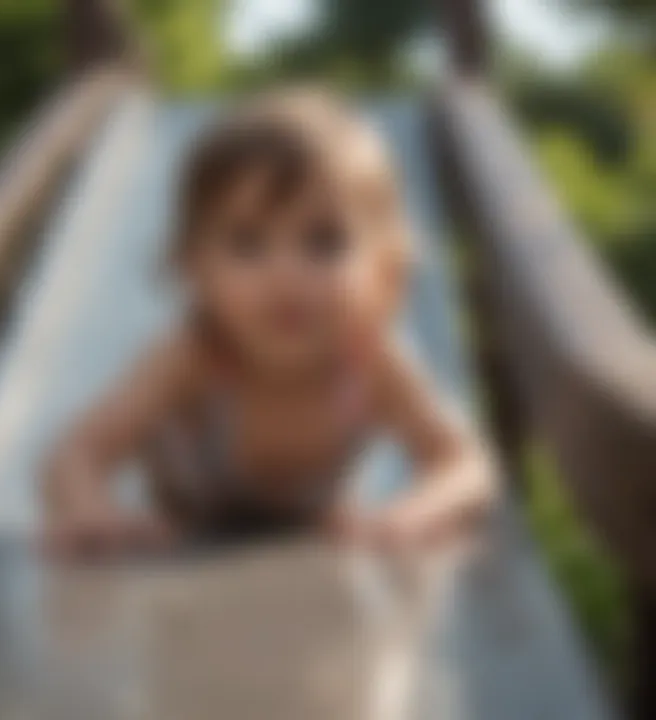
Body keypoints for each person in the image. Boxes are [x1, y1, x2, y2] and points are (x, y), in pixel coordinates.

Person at [43, 89, 496, 555]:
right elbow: (77, 454)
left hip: (312, 550)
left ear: (384, 271)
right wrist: (90, 507)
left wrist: (411, 515)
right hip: (192, 558)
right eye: (247, 243)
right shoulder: (194, 356)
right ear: (193, 269)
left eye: (324, 242)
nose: (286, 277)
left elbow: (465, 463)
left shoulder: (369, 358)